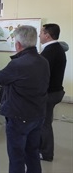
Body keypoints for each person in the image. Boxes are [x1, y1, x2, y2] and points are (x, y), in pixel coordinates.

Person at [0, 25, 50, 173]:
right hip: (38, 115)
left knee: (16, 157)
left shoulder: (18, 64)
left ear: (18, 45)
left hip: (19, 117)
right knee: (32, 153)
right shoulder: (43, 61)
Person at [39, 23, 67, 162]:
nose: (39, 35)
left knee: (44, 124)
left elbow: (41, 74)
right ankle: (41, 148)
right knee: (45, 121)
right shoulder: (57, 48)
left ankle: (46, 153)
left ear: (47, 35)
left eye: (41, 32)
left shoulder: (50, 52)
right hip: (56, 91)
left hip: (49, 94)